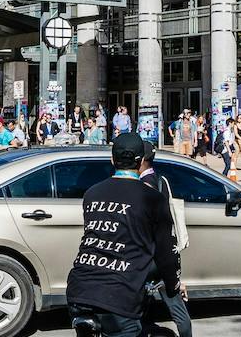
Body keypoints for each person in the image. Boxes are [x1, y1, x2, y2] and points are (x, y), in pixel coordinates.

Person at [65, 133, 182, 337]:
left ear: (112, 159)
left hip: (79, 289)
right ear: (140, 162)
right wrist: (173, 285)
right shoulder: (152, 198)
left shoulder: (92, 193)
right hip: (119, 293)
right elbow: (167, 253)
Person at [136, 142, 192, 337]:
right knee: (176, 305)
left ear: (141, 160)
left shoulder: (142, 185)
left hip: (146, 255)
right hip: (164, 255)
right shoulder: (162, 180)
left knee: (136, 307)